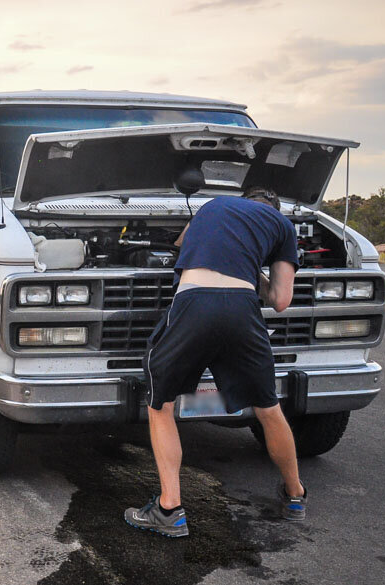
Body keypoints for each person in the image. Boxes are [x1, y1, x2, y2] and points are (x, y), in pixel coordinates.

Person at [124, 186, 307, 538]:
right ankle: (295, 496)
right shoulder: (283, 226)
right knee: (269, 409)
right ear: (275, 207)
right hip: (243, 306)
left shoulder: (214, 205)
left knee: (160, 405)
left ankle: (169, 509)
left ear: (244, 199)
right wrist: (255, 267)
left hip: (194, 301)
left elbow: (180, 245)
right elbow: (281, 300)